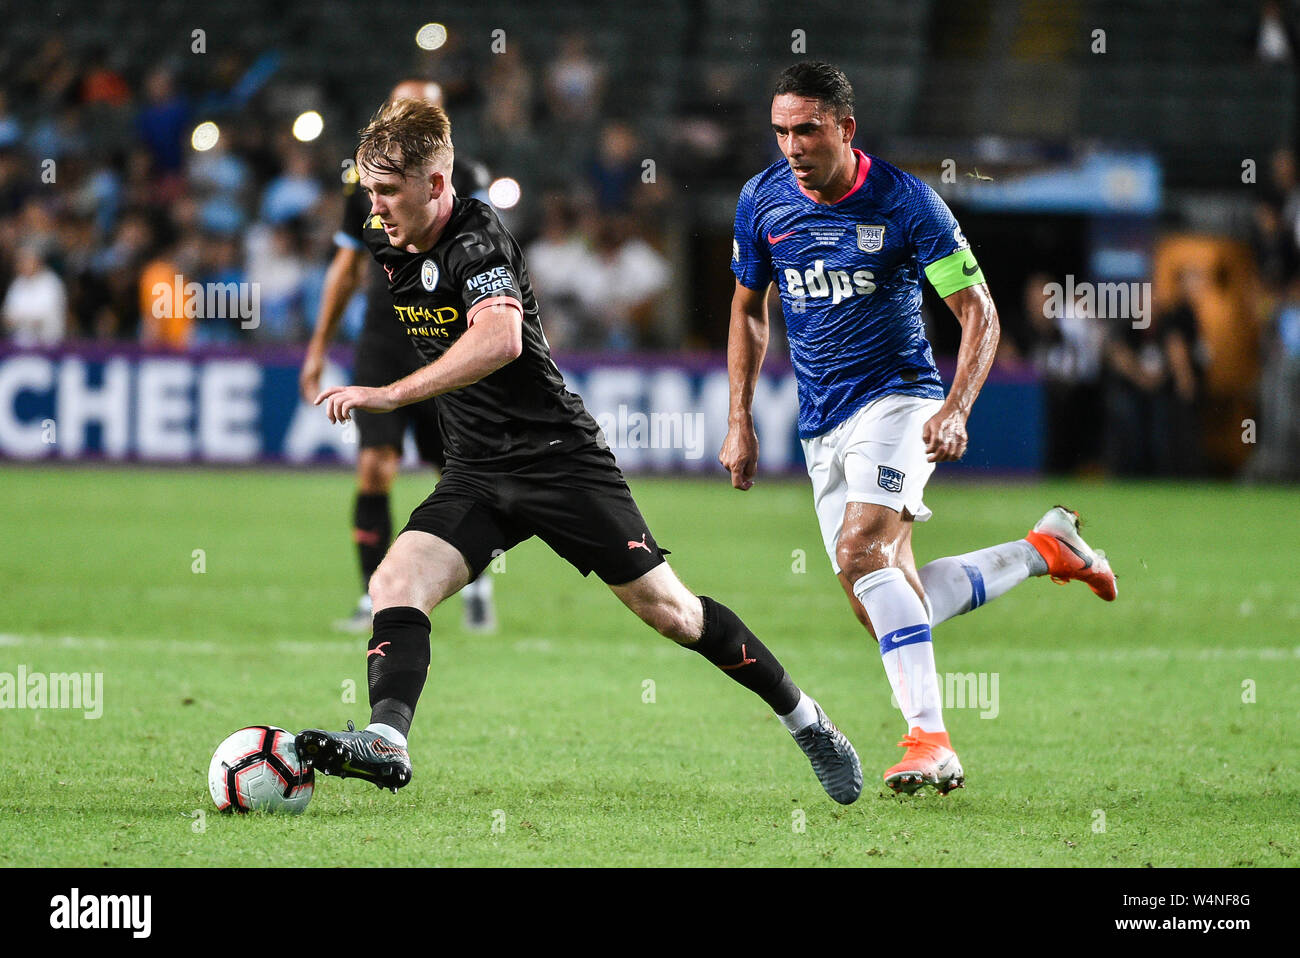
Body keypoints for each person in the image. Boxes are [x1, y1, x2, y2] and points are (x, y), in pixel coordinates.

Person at [294, 96, 864, 804]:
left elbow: (500, 338)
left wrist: (393, 392)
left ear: (437, 185)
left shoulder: (478, 240)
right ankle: (387, 740)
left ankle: (807, 721)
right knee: (394, 585)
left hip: (559, 462)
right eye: (369, 191)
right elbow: (374, 275)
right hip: (478, 468)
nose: (373, 209)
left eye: (386, 193)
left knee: (673, 614)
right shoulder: (387, 238)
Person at [720, 62, 1118, 796]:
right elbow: (749, 308)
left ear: (845, 127)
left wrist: (956, 406)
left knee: (861, 548)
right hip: (821, 425)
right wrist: (739, 417)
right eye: (780, 130)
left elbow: (980, 312)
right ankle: (1043, 550)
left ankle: (929, 738)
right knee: (884, 596)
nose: (792, 146)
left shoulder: (907, 204)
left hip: (898, 398)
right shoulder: (762, 200)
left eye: (806, 129)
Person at [300, 80, 496, 633]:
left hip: (444, 340)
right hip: (384, 341)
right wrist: (317, 347)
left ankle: (474, 580)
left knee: (453, 473)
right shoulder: (362, 182)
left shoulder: (467, 180)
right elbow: (345, 267)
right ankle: (373, 594)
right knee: (373, 468)